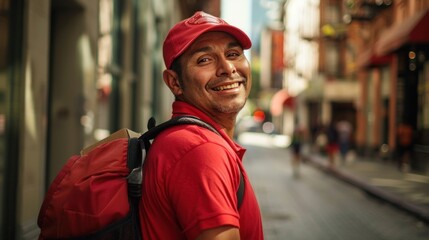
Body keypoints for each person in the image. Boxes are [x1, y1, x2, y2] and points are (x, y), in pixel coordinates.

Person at [140, 11, 264, 239]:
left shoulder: (193, 141)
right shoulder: (200, 149)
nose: (227, 68)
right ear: (175, 82)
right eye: (204, 60)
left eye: (233, 53)